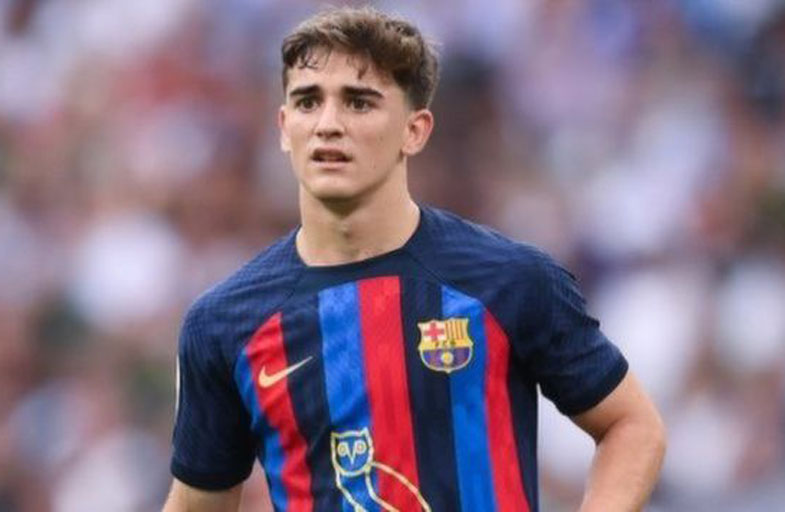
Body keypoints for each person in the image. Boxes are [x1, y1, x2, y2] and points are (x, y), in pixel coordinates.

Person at [163, 6, 665, 512]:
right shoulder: (225, 323)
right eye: (308, 101)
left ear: (415, 130)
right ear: (283, 127)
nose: (328, 124)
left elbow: (631, 425)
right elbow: (198, 502)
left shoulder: (510, 281)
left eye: (359, 102)